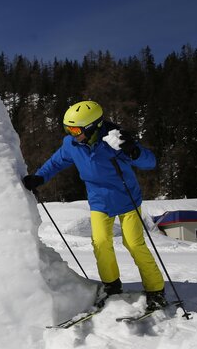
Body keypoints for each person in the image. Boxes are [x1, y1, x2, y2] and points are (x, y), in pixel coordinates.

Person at [22, 100, 166, 311]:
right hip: (100, 202)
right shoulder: (71, 144)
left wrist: (134, 151)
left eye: (74, 129)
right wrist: (39, 178)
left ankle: (156, 290)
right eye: (67, 129)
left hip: (127, 200)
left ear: (91, 127)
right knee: (100, 242)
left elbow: (149, 162)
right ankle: (112, 286)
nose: (71, 133)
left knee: (134, 244)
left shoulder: (115, 141)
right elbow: (56, 162)